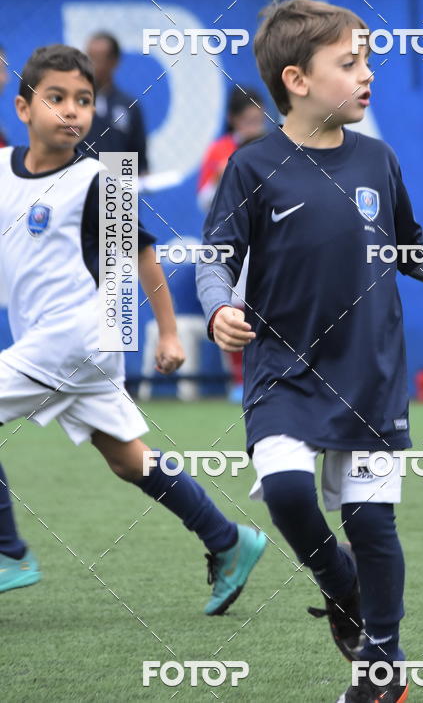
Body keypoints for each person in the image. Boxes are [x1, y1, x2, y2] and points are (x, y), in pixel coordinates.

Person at [196, 0, 423, 702]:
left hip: (369, 367)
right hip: (283, 369)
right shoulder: (252, 166)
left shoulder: (378, 158)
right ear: (297, 79)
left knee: (372, 520)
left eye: (368, 59)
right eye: (349, 63)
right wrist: (220, 305)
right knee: (285, 489)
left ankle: (383, 667)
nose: (367, 74)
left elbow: (415, 248)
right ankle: (338, 584)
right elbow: (214, 258)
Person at [0, 44, 266, 608]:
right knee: (127, 457)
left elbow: (143, 256)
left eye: (84, 100)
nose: (72, 111)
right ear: (23, 108)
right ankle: (228, 540)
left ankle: (8, 551)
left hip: (77, 336)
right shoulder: (1, 171)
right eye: (56, 98)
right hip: (52, 345)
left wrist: (168, 333)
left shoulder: (100, 179)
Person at [197, 86, 267, 402]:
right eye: (247, 120)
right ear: (233, 119)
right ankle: (238, 382)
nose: (254, 126)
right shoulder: (219, 150)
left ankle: (268, 375)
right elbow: (204, 200)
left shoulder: (274, 146)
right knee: (235, 303)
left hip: (268, 237)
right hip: (236, 238)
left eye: (259, 119)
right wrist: (220, 177)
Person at [84, 32, 148, 173]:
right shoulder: (72, 104)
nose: (90, 65)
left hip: (115, 182)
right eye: (88, 57)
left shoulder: (129, 106)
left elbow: (140, 160)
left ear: (114, 62)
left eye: (97, 59)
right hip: (79, 183)